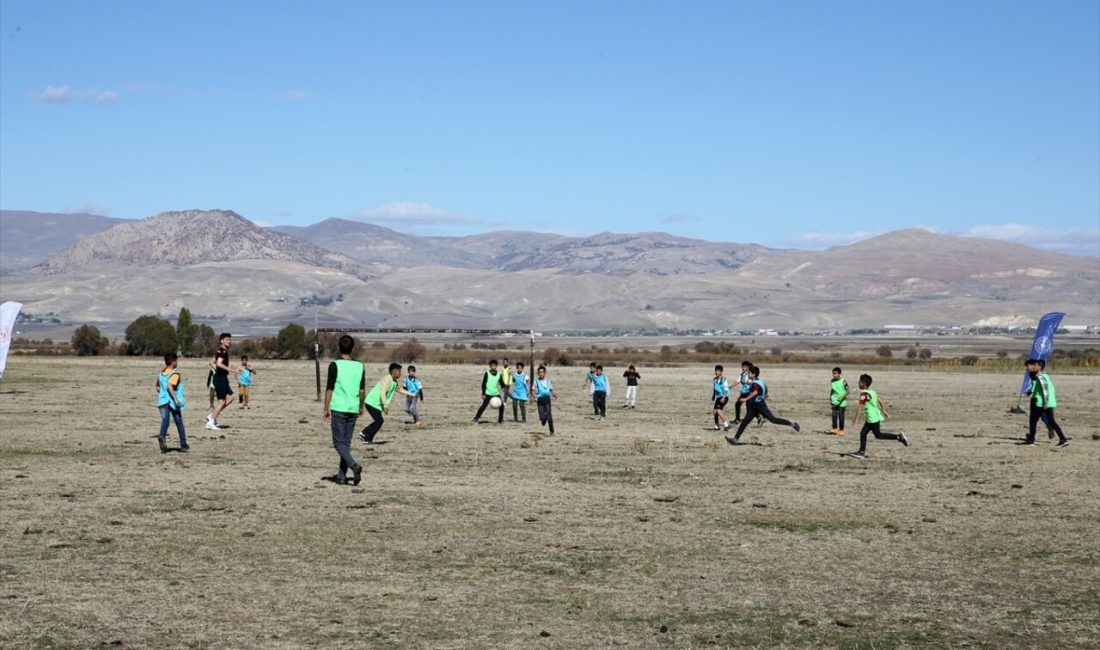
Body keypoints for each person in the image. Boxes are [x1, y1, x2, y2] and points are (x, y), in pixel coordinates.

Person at [323, 335, 365, 485]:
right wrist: (361, 406)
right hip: (353, 408)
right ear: (352, 348)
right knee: (345, 444)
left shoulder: (335, 365)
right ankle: (341, 476)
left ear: (339, 348)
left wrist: (325, 408)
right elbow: (362, 390)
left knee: (338, 443)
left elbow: (329, 389)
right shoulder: (360, 366)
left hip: (339, 407)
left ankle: (354, 465)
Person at [725, 365, 800, 445]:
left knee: (773, 419)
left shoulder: (755, 384)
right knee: (744, 422)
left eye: (749, 373)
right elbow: (765, 387)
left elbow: (755, 392)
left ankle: (792, 424)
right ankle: (735, 439)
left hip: (760, 406)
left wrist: (745, 399)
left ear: (753, 374)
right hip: (752, 407)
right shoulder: (759, 381)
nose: (748, 375)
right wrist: (766, 394)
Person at [846, 374, 908, 459]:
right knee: (870, 434)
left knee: (875, 435)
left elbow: (860, 407)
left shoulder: (864, 394)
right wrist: (885, 411)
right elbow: (880, 400)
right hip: (874, 417)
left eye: (859, 381)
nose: (858, 383)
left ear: (863, 383)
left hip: (872, 418)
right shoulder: (872, 392)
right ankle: (861, 452)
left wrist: (855, 419)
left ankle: (861, 452)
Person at [359, 363, 415, 444]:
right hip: (372, 402)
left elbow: (399, 389)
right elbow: (382, 392)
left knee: (379, 421)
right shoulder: (387, 379)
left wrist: (412, 394)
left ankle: (367, 439)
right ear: (394, 371)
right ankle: (364, 433)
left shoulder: (394, 381)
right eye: (399, 371)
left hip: (376, 404)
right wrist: (385, 405)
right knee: (379, 421)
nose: (401, 373)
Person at [1019, 359, 1070, 447]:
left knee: (1033, 421)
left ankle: (1031, 440)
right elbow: (1038, 388)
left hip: (1041, 403)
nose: (1028, 368)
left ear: (1037, 366)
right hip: (1047, 402)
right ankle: (1063, 439)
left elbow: (1045, 390)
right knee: (1051, 421)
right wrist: (1030, 393)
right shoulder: (1043, 375)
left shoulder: (1040, 376)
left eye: (1029, 366)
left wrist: (1045, 403)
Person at [156, 352, 188, 453]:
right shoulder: (175, 374)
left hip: (162, 400)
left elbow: (157, 386)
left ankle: (162, 436)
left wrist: (162, 392)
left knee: (165, 419)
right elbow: (170, 386)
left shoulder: (161, 373)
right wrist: (175, 398)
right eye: (177, 360)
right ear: (173, 362)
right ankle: (183, 443)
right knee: (179, 422)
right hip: (173, 402)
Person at [206, 333, 233, 430]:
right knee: (222, 401)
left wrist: (218, 370)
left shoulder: (221, 351)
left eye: (230, 340)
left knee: (230, 398)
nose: (229, 341)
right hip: (220, 378)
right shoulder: (222, 351)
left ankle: (211, 416)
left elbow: (212, 362)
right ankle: (211, 422)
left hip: (223, 377)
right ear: (221, 341)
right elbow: (218, 363)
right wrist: (230, 369)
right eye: (227, 340)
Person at [472, 359, 505, 424]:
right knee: (483, 406)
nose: (493, 367)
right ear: (490, 366)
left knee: (502, 406)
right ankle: (476, 418)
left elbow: (501, 381)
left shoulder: (499, 374)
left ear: (496, 366)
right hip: (488, 393)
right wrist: (483, 394)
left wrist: (503, 386)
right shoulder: (487, 373)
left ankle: (500, 420)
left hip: (496, 393)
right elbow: (483, 384)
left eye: (494, 366)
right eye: (492, 366)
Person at [533, 365, 556, 434]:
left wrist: (554, 394)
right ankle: (543, 419)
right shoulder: (536, 381)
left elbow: (551, 389)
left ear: (545, 373)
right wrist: (534, 397)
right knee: (542, 416)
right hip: (540, 400)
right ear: (538, 373)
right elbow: (532, 390)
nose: (541, 373)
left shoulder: (548, 381)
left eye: (542, 372)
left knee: (549, 416)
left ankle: (551, 431)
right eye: (539, 372)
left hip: (547, 399)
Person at [829, 366, 849, 435]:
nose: (834, 375)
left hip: (842, 402)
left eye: (835, 373)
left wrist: (842, 397)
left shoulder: (843, 381)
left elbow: (848, 391)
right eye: (833, 373)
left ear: (839, 373)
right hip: (834, 401)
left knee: (841, 417)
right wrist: (830, 398)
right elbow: (832, 389)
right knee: (834, 416)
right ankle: (835, 429)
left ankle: (841, 430)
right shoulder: (832, 381)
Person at [712, 364, 731, 431]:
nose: (717, 372)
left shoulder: (724, 379)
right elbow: (715, 388)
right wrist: (713, 396)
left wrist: (723, 397)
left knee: (718, 411)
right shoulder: (714, 380)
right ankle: (717, 426)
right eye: (716, 371)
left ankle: (727, 425)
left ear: (721, 372)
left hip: (724, 397)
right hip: (718, 397)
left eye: (718, 371)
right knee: (714, 412)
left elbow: (726, 389)